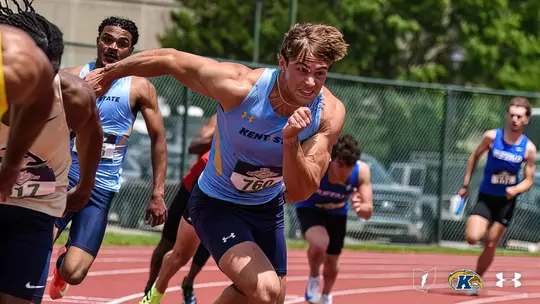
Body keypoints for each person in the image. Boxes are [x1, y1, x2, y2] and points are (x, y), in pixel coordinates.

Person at [85, 22, 348, 304]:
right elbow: (171, 60)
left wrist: (291, 142)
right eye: (303, 70)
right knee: (265, 290)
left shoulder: (327, 113)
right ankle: (156, 290)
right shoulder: (239, 87)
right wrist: (109, 74)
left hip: (266, 208)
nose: (311, 83)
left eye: (320, 74)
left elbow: (301, 191)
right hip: (216, 202)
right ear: (283, 63)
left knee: (273, 299)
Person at [47, 16, 168, 300]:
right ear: (98, 41)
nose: (113, 47)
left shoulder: (140, 87)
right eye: (108, 39)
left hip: (100, 190)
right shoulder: (72, 76)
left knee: (74, 274)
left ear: (130, 51)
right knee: (34, 246)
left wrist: (158, 193)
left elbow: (158, 139)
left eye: (122, 43)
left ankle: (62, 267)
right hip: (64, 179)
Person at [0, 3, 103, 304]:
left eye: (52, 72)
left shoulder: (74, 97)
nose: (43, 82)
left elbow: (92, 136)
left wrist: (85, 186)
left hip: (37, 208)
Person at [458, 97, 536, 296]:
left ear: (526, 119)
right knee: (472, 238)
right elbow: (474, 156)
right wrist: (466, 184)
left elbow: (528, 180)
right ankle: (484, 228)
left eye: (519, 116)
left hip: (506, 202)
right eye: (511, 115)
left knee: (491, 243)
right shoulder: (492, 137)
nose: (514, 120)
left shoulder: (528, 149)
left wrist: (516, 189)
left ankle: (475, 281)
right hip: (486, 196)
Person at [144, 114, 216, 304]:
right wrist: (224, 137)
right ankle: (149, 289)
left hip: (221, 192)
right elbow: (194, 146)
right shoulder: (223, 116)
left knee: (207, 244)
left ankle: (189, 282)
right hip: (192, 186)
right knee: (167, 243)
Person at [294, 134, 373, 304]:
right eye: (341, 165)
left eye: (349, 166)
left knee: (332, 259)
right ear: (332, 159)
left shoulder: (361, 172)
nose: (344, 171)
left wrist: (360, 207)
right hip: (311, 208)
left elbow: (368, 211)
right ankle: (314, 277)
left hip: (337, 213)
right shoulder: (320, 165)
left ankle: (326, 295)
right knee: (320, 243)